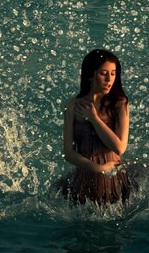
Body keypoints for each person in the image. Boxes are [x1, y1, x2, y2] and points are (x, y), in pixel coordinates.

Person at [58, 49, 132, 205]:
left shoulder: (119, 104)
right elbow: (69, 153)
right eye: (103, 73)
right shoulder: (73, 106)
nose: (109, 79)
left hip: (113, 177)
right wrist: (98, 169)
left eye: (113, 74)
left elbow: (119, 147)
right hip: (86, 175)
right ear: (91, 75)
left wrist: (94, 118)